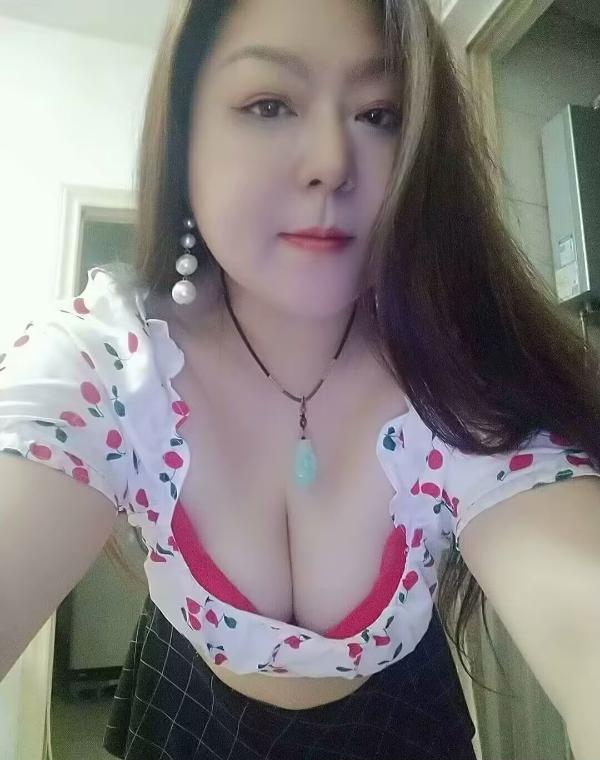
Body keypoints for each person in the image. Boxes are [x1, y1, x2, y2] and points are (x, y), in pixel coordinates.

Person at [1, 1, 599, 758]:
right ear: (184, 138)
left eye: (380, 115)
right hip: (187, 707)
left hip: (402, 719)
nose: (332, 162)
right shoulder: (104, 364)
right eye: (269, 104)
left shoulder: (458, 378)